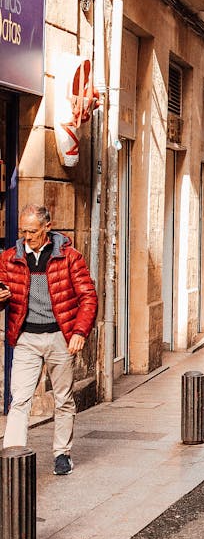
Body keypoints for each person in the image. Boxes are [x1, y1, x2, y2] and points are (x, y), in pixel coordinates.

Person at [0, 204, 98, 475]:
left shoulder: (69, 257)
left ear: (47, 227)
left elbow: (88, 297)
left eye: (32, 231)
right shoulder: (10, 258)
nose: (27, 237)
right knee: (19, 399)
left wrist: (79, 332)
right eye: (23, 231)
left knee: (63, 399)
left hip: (59, 337)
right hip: (26, 338)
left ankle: (62, 454)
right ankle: (13, 455)